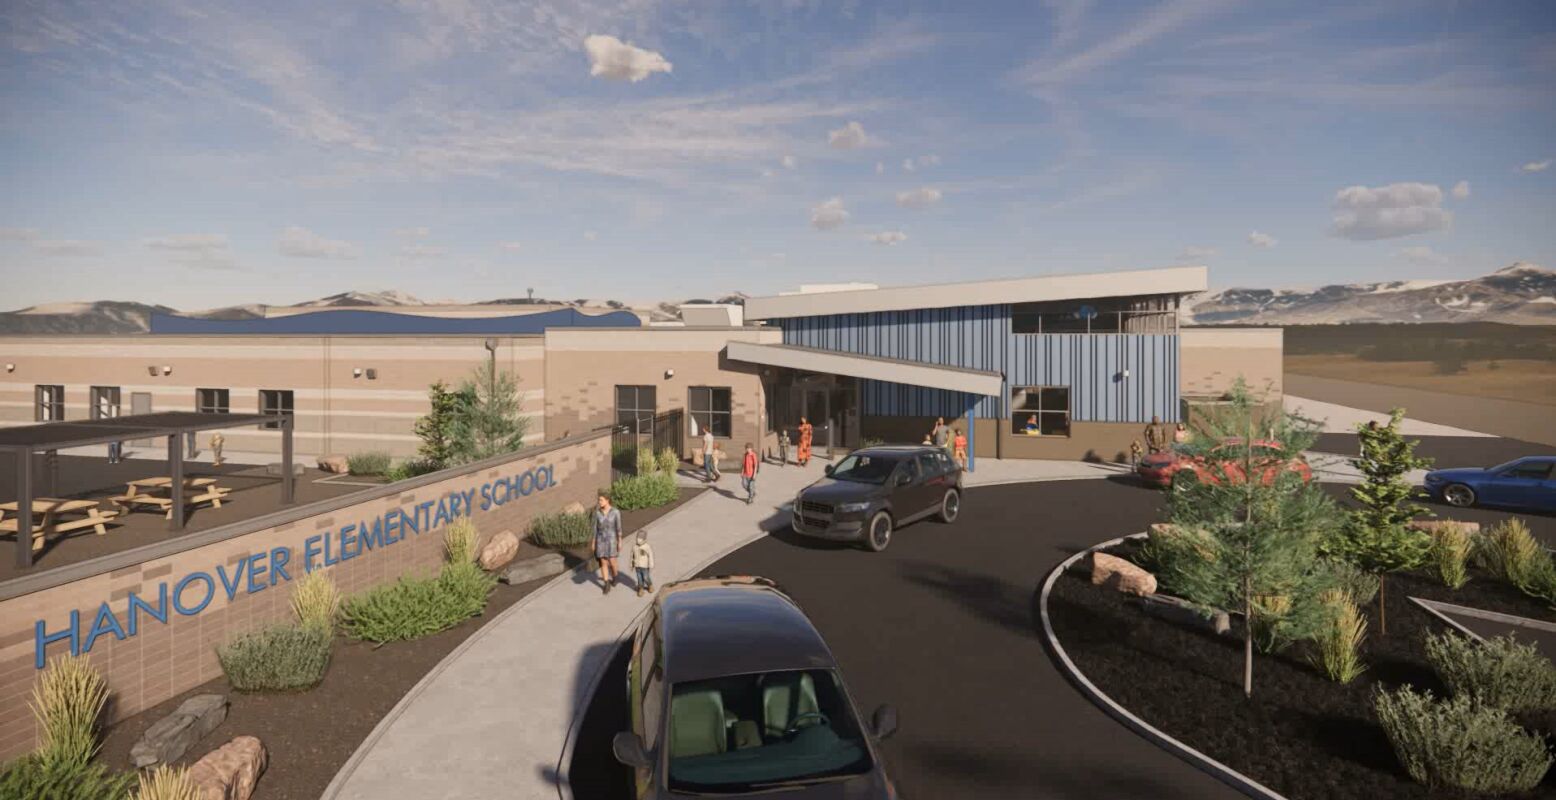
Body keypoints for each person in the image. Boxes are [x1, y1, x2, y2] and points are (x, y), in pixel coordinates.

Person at [593, 493, 622, 594]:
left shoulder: (616, 512)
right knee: (603, 563)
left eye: (601, 500)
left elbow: (618, 528)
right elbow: (595, 530)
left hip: (612, 540)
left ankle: (615, 576)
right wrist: (593, 543)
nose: (599, 502)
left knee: (613, 563)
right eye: (599, 500)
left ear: (607, 500)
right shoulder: (597, 513)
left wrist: (620, 542)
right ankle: (606, 584)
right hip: (600, 541)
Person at [631, 530, 654, 597]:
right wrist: (631, 564)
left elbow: (650, 555)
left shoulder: (647, 547)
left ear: (644, 539)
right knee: (639, 578)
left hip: (645, 566)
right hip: (637, 566)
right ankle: (641, 589)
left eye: (640, 538)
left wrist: (651, 564)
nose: (638, 539)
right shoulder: (634, 547)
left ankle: (650, 585)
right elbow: (632, 556)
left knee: (646, 577)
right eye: (637, 537)